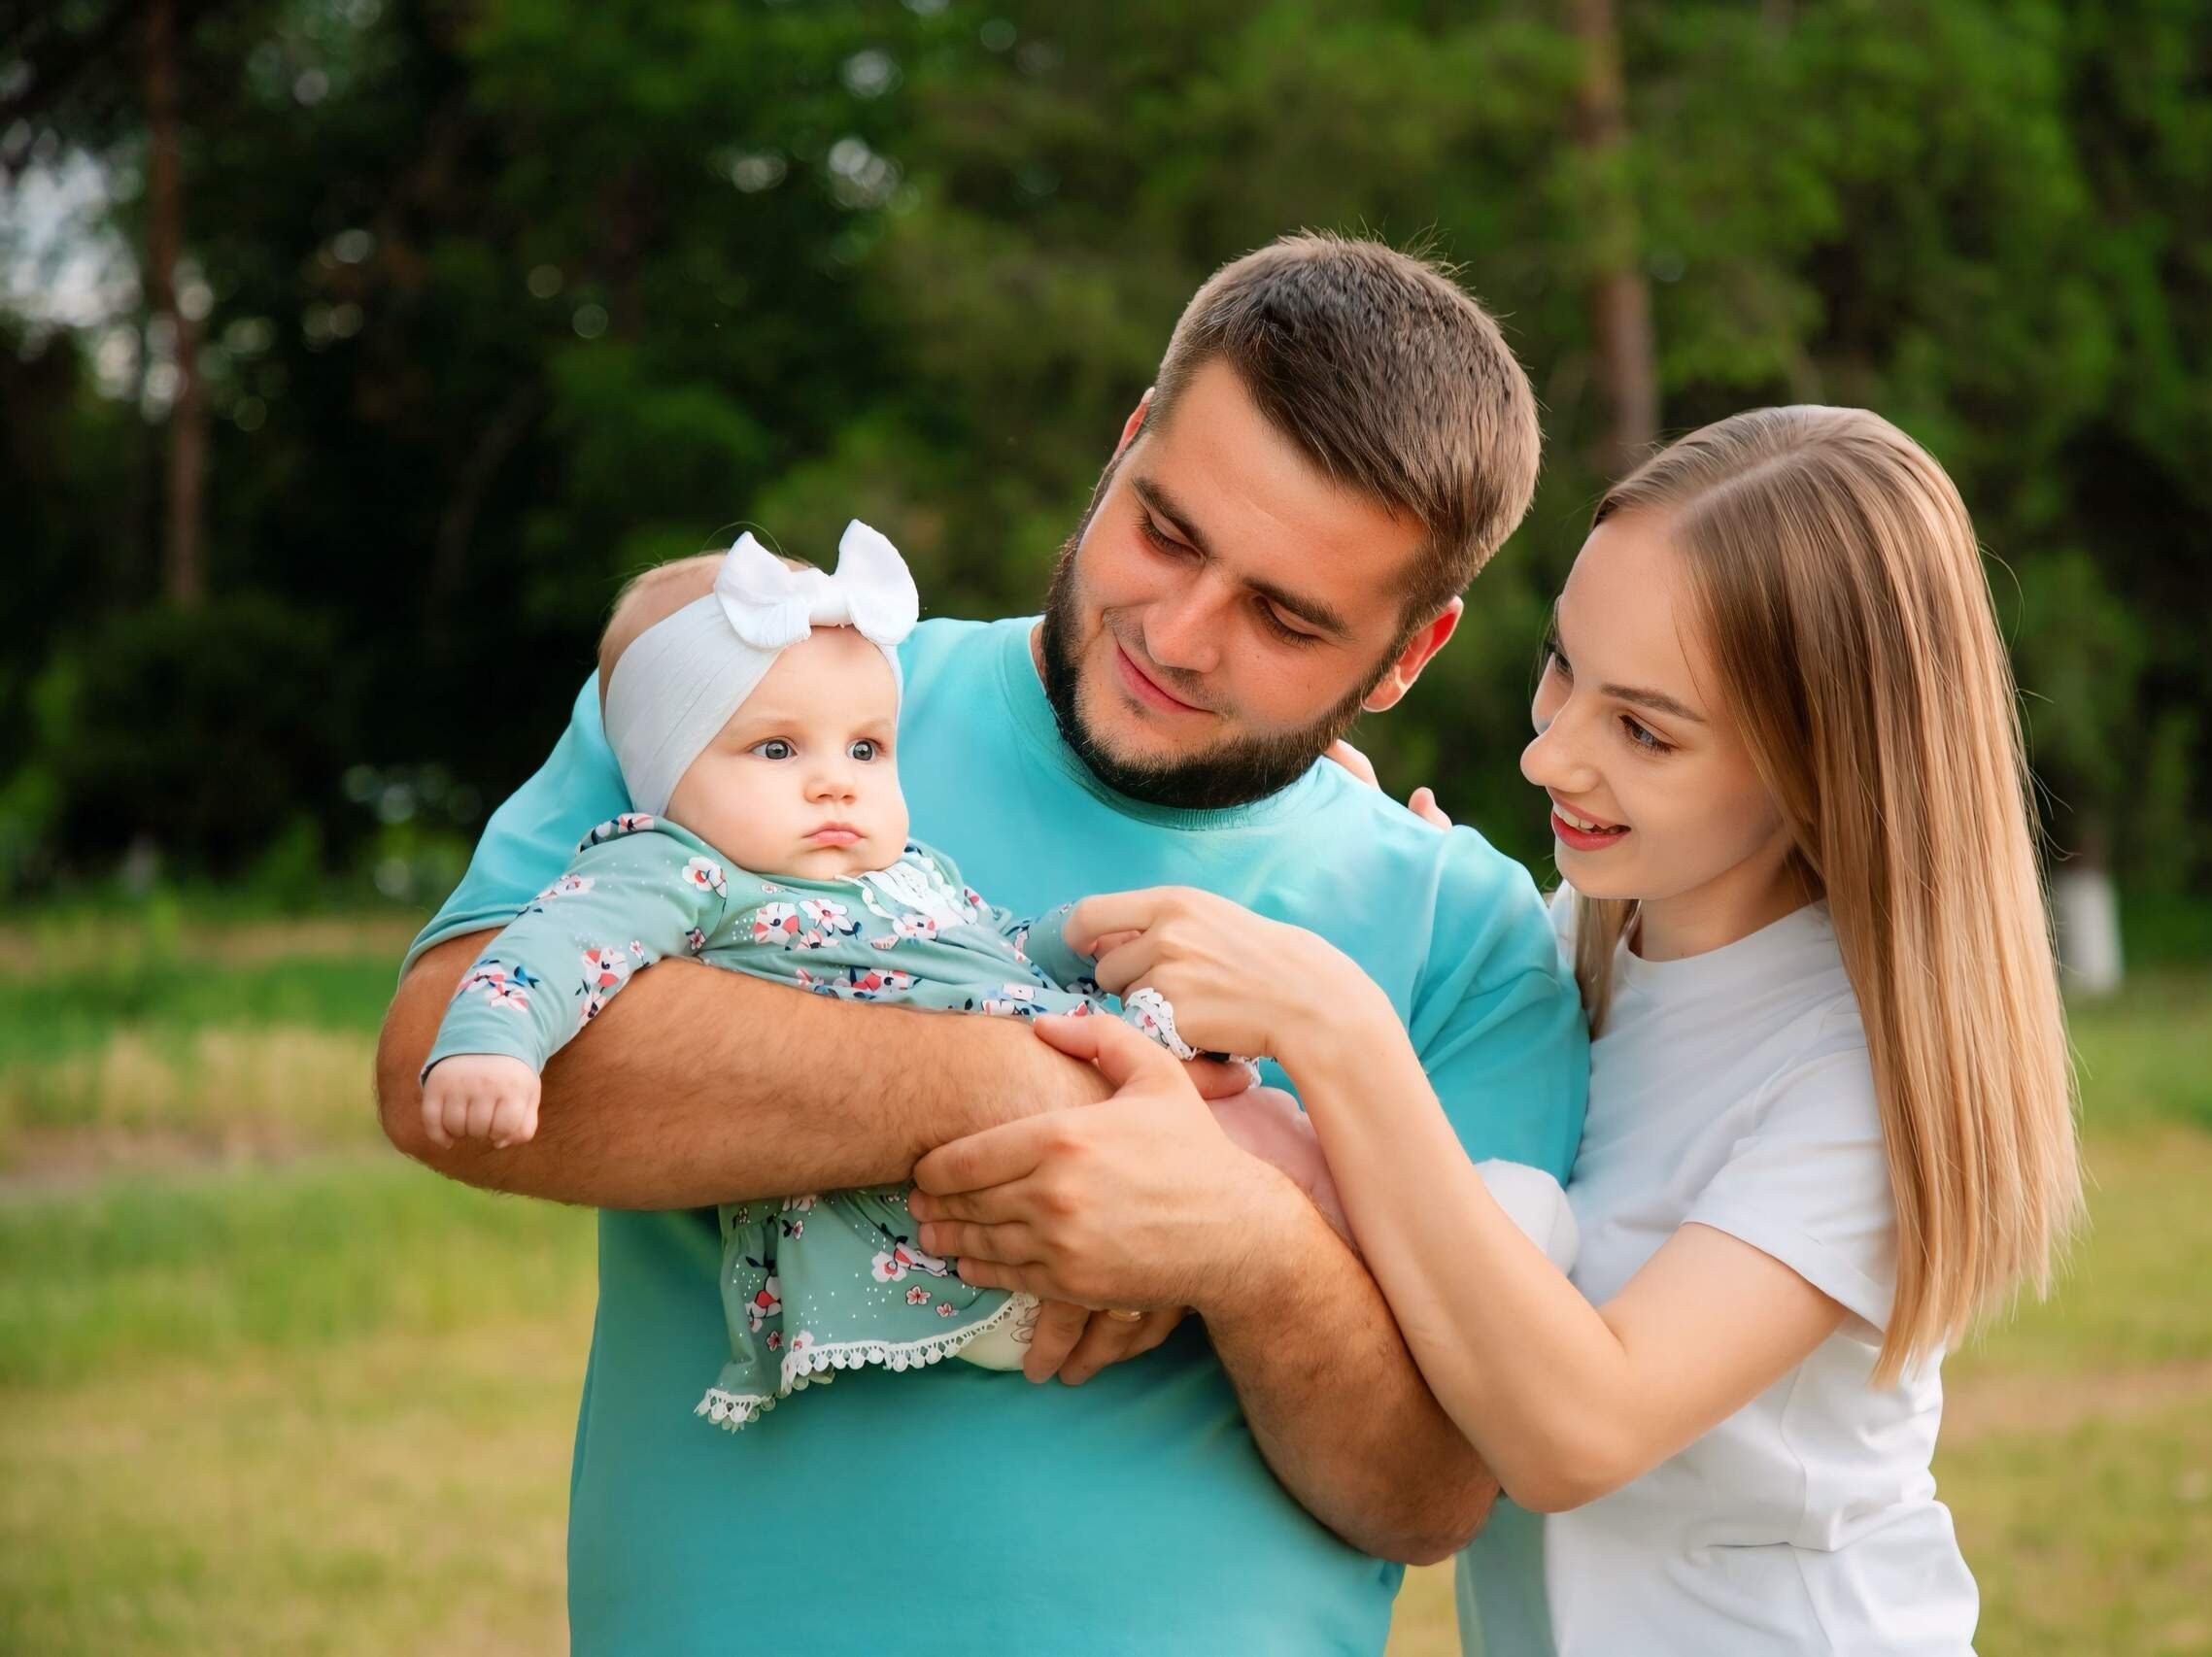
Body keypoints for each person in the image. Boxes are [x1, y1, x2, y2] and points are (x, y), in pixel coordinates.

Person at [373, 233, 1588, 1655]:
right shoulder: (765, 696)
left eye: (1285, 615)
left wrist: (1247, 1239)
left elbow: (1429, 1491)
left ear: (1409, 652)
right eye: (1170, 531)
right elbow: (439, 1069)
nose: (1182, 633)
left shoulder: (1473, 932)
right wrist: (1027, 1093)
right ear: (1128, 441)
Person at [936, 406, 2083, 1653]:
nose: (1548, 754)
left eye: (1643, 729)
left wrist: (1342, 1023)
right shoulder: (1580, 941)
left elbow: (1573, 1431)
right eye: (1563, 668)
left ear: (1821, 765)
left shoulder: (1853, 1076)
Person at [418, 524, 1368, 1428]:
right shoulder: (673, 869)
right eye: (778, 748)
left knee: (1264, 1121)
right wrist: (491, 1048)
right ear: (667, 775)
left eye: (865, 747)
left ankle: (1351, 1223)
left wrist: (1067, 936)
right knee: (1243, 1143)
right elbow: (552, 947)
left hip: (1068, 1138)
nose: (836, 781)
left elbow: (987, 944)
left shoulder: (905, 870)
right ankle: (1343, 1234)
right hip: (953, 1231)